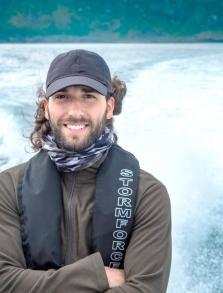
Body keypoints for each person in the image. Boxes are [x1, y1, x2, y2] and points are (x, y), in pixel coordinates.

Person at [0, 49, 172, 292]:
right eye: (62, 97)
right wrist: (97, 275)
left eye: (89, 96)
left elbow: (146, 289)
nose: (76, 111)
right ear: (46, 107)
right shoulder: (6, 189)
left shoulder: (147, 194)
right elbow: (4, 281)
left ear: (109, 106)